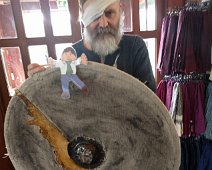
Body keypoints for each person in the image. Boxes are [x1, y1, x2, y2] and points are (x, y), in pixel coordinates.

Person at [27, 0, 156, 92]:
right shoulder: (71, 54)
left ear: (120, 11)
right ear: (83, 17)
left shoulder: (135, 47)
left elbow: (149, 101)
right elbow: (62, 103)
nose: (104, 24)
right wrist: (41, 82)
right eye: (95, 16)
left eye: (110, 13)